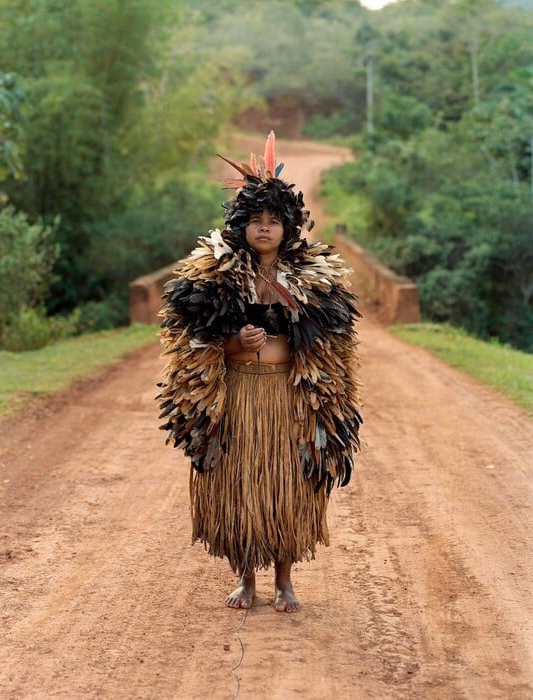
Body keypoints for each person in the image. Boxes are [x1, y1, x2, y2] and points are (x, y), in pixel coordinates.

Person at [157, 132, 361, 613]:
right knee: (242, 486)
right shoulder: (216, 276)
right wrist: (232, 343)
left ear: (289, 226)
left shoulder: (315, 277)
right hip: (239, 396)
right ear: (241, 226)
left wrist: (295, 347)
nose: (264, 229)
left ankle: (285, 581)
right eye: (256, 220)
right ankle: (246, 580)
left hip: (287, 397)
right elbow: (191, 343)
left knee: (286, 486)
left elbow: (333, 347)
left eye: (274, 221)